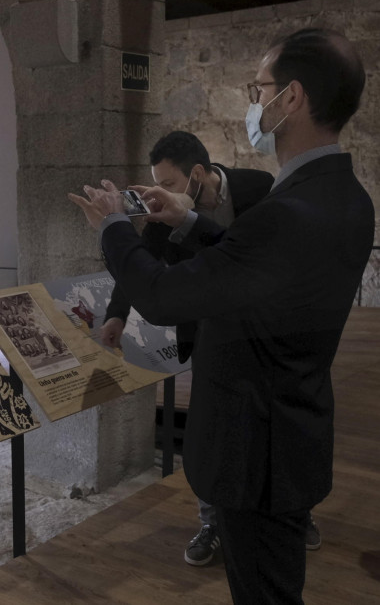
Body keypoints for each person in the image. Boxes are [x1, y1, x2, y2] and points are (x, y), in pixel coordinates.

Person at [70, 28, 373, 603]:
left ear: (293, 98)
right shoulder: (346, 197)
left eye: (258, 89)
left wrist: (113, 225)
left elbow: (161, 294)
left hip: (252, 449)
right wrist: (187, 222)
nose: (253, 104)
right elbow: (252, 269)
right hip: (291, 431)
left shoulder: (284, 213)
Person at [102, 131, 328, 565]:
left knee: (280, 426)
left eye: (168, 184)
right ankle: (212, 522)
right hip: (207, 332)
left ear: (198, 175)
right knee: (209, 431)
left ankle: (295, 514)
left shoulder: (258, 189)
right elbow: (141, 264)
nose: (158, 195)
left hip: (266, 331)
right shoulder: (159, 213)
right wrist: (116, 314)